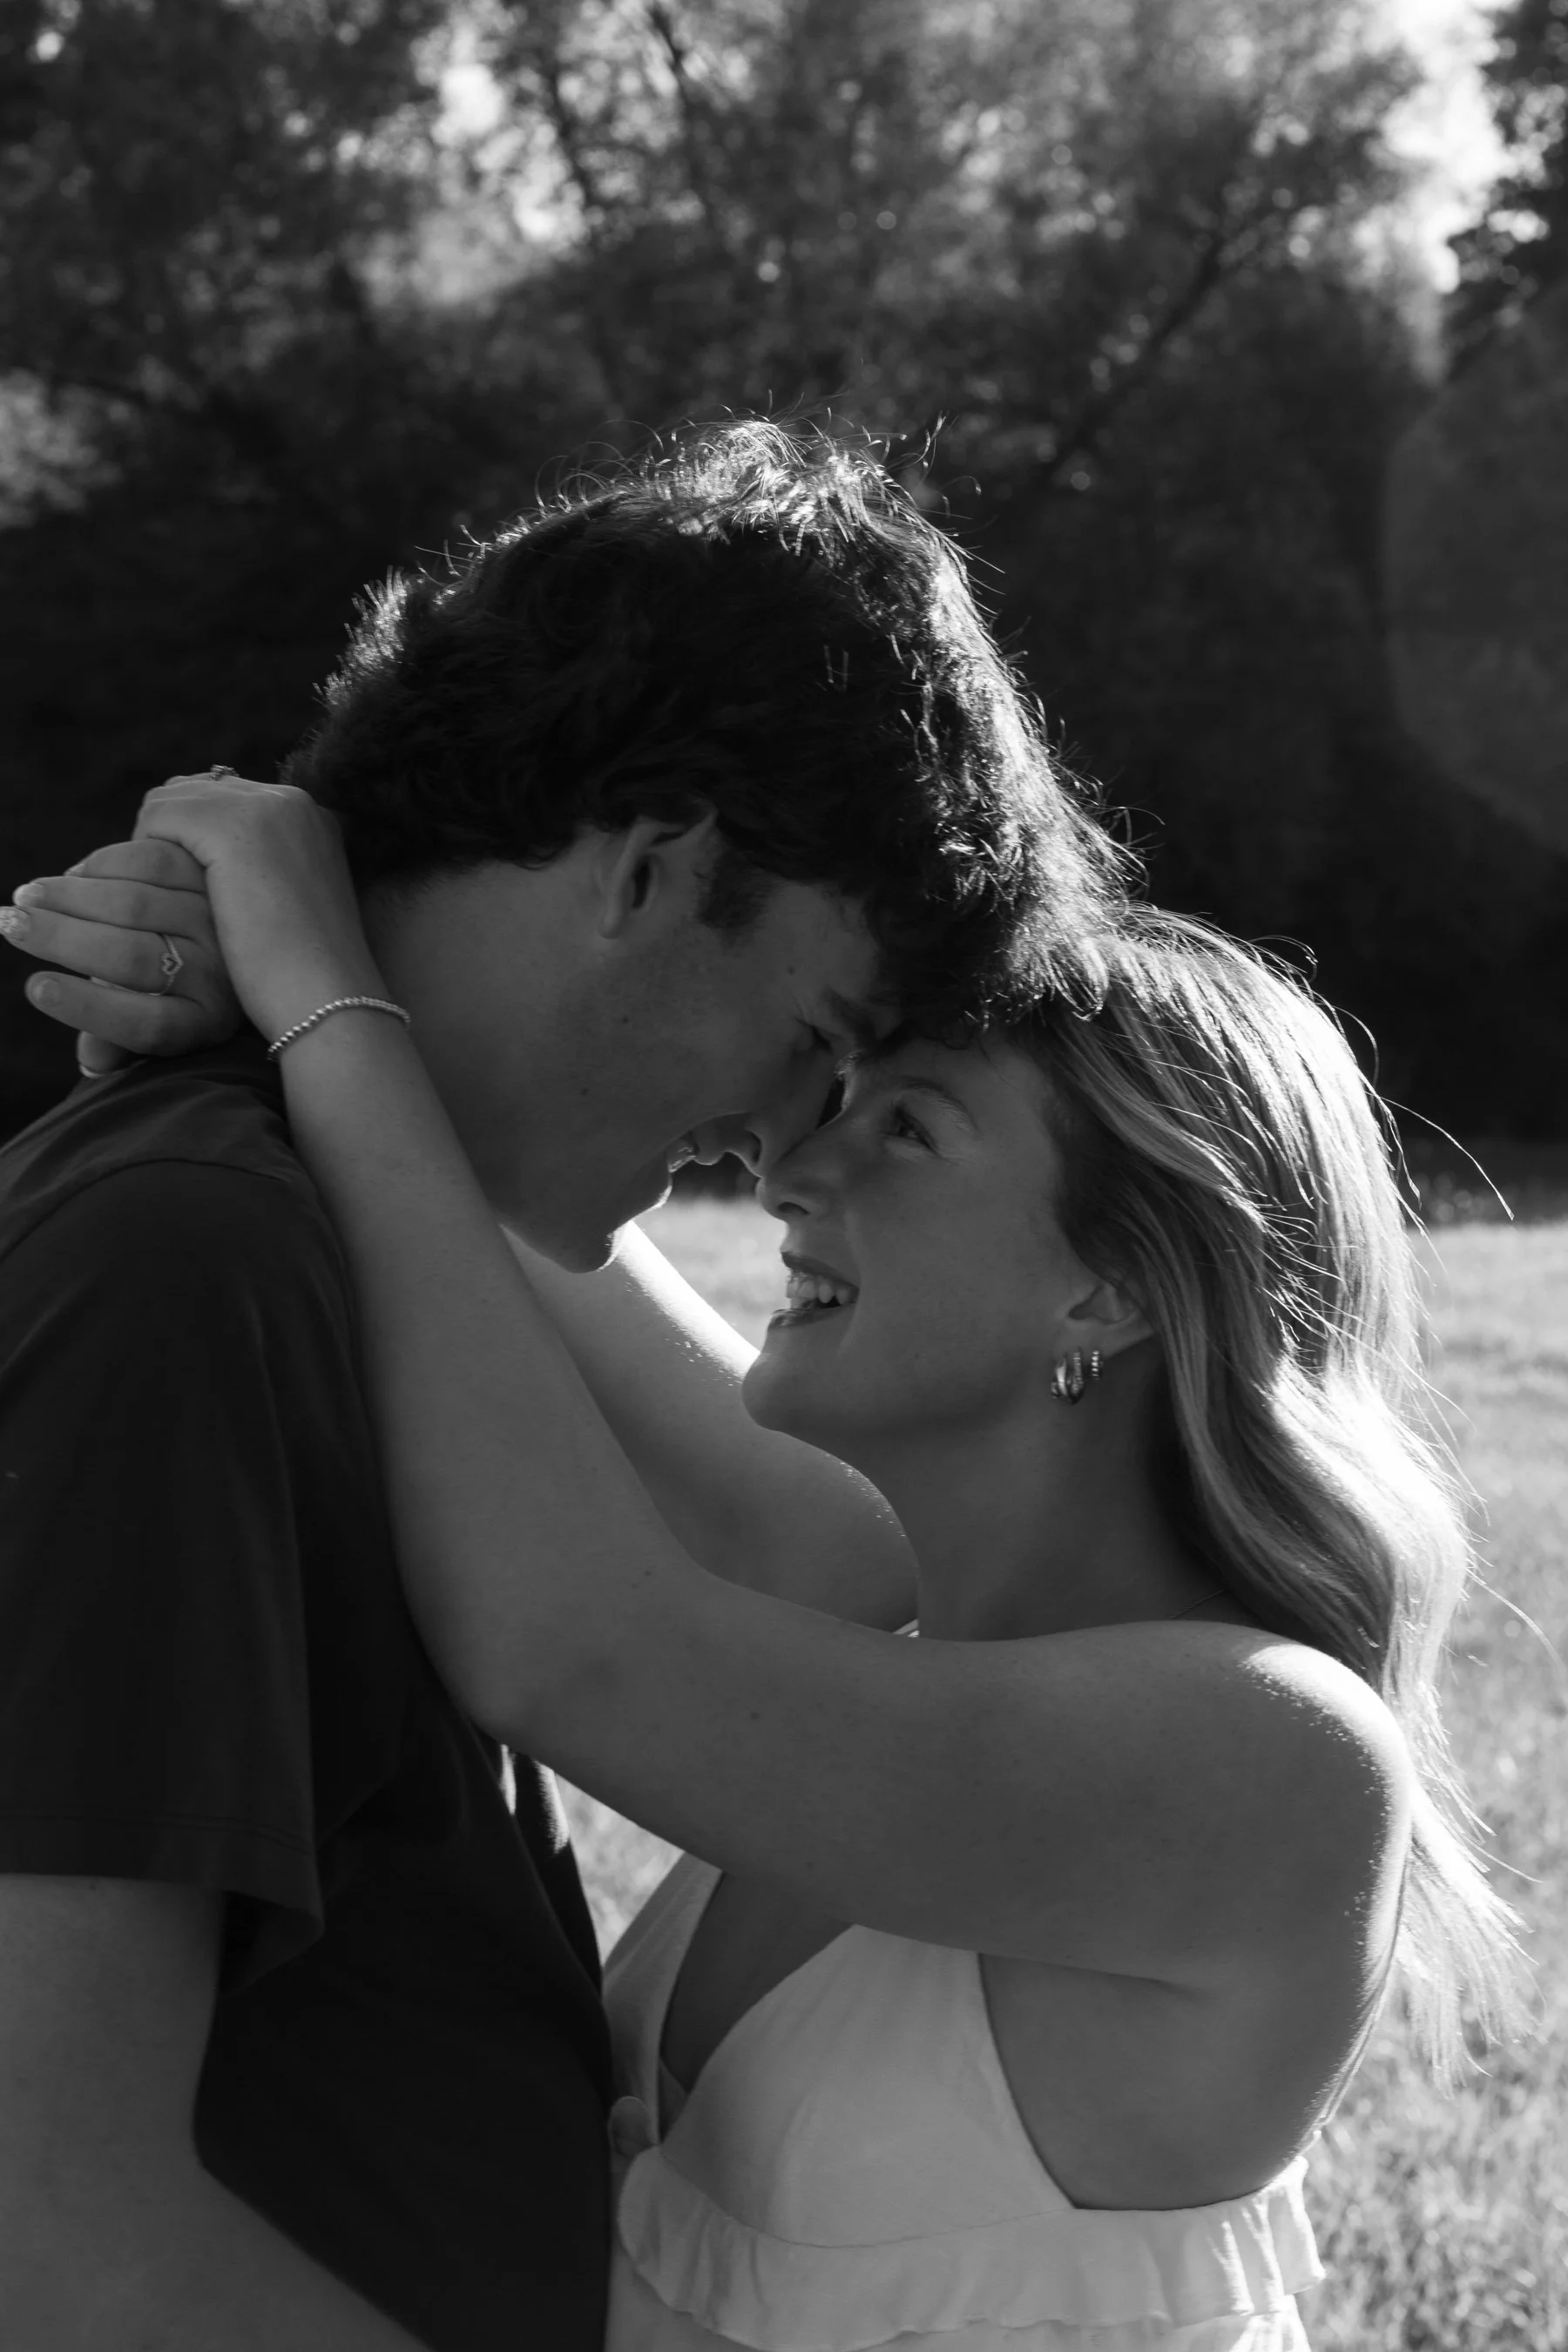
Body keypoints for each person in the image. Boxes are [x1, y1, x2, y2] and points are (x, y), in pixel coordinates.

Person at [18, 772, 1519, 2352]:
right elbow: (475, 1198)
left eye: (908, 1131)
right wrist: (296, 979)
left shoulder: (1273, 1761)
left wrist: (325, 985)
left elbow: (575, 1647)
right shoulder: (871, 1613)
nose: (793, 1170)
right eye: (838, 1100)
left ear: (1113, 1291)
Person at [0, 423, 1121, 2351]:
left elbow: (822, 1556)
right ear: (657, 871)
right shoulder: (190, 1259)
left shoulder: (329, 1232)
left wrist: (331, 1017)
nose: (784, 1146)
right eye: (818, 1037)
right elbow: (49, 2233)